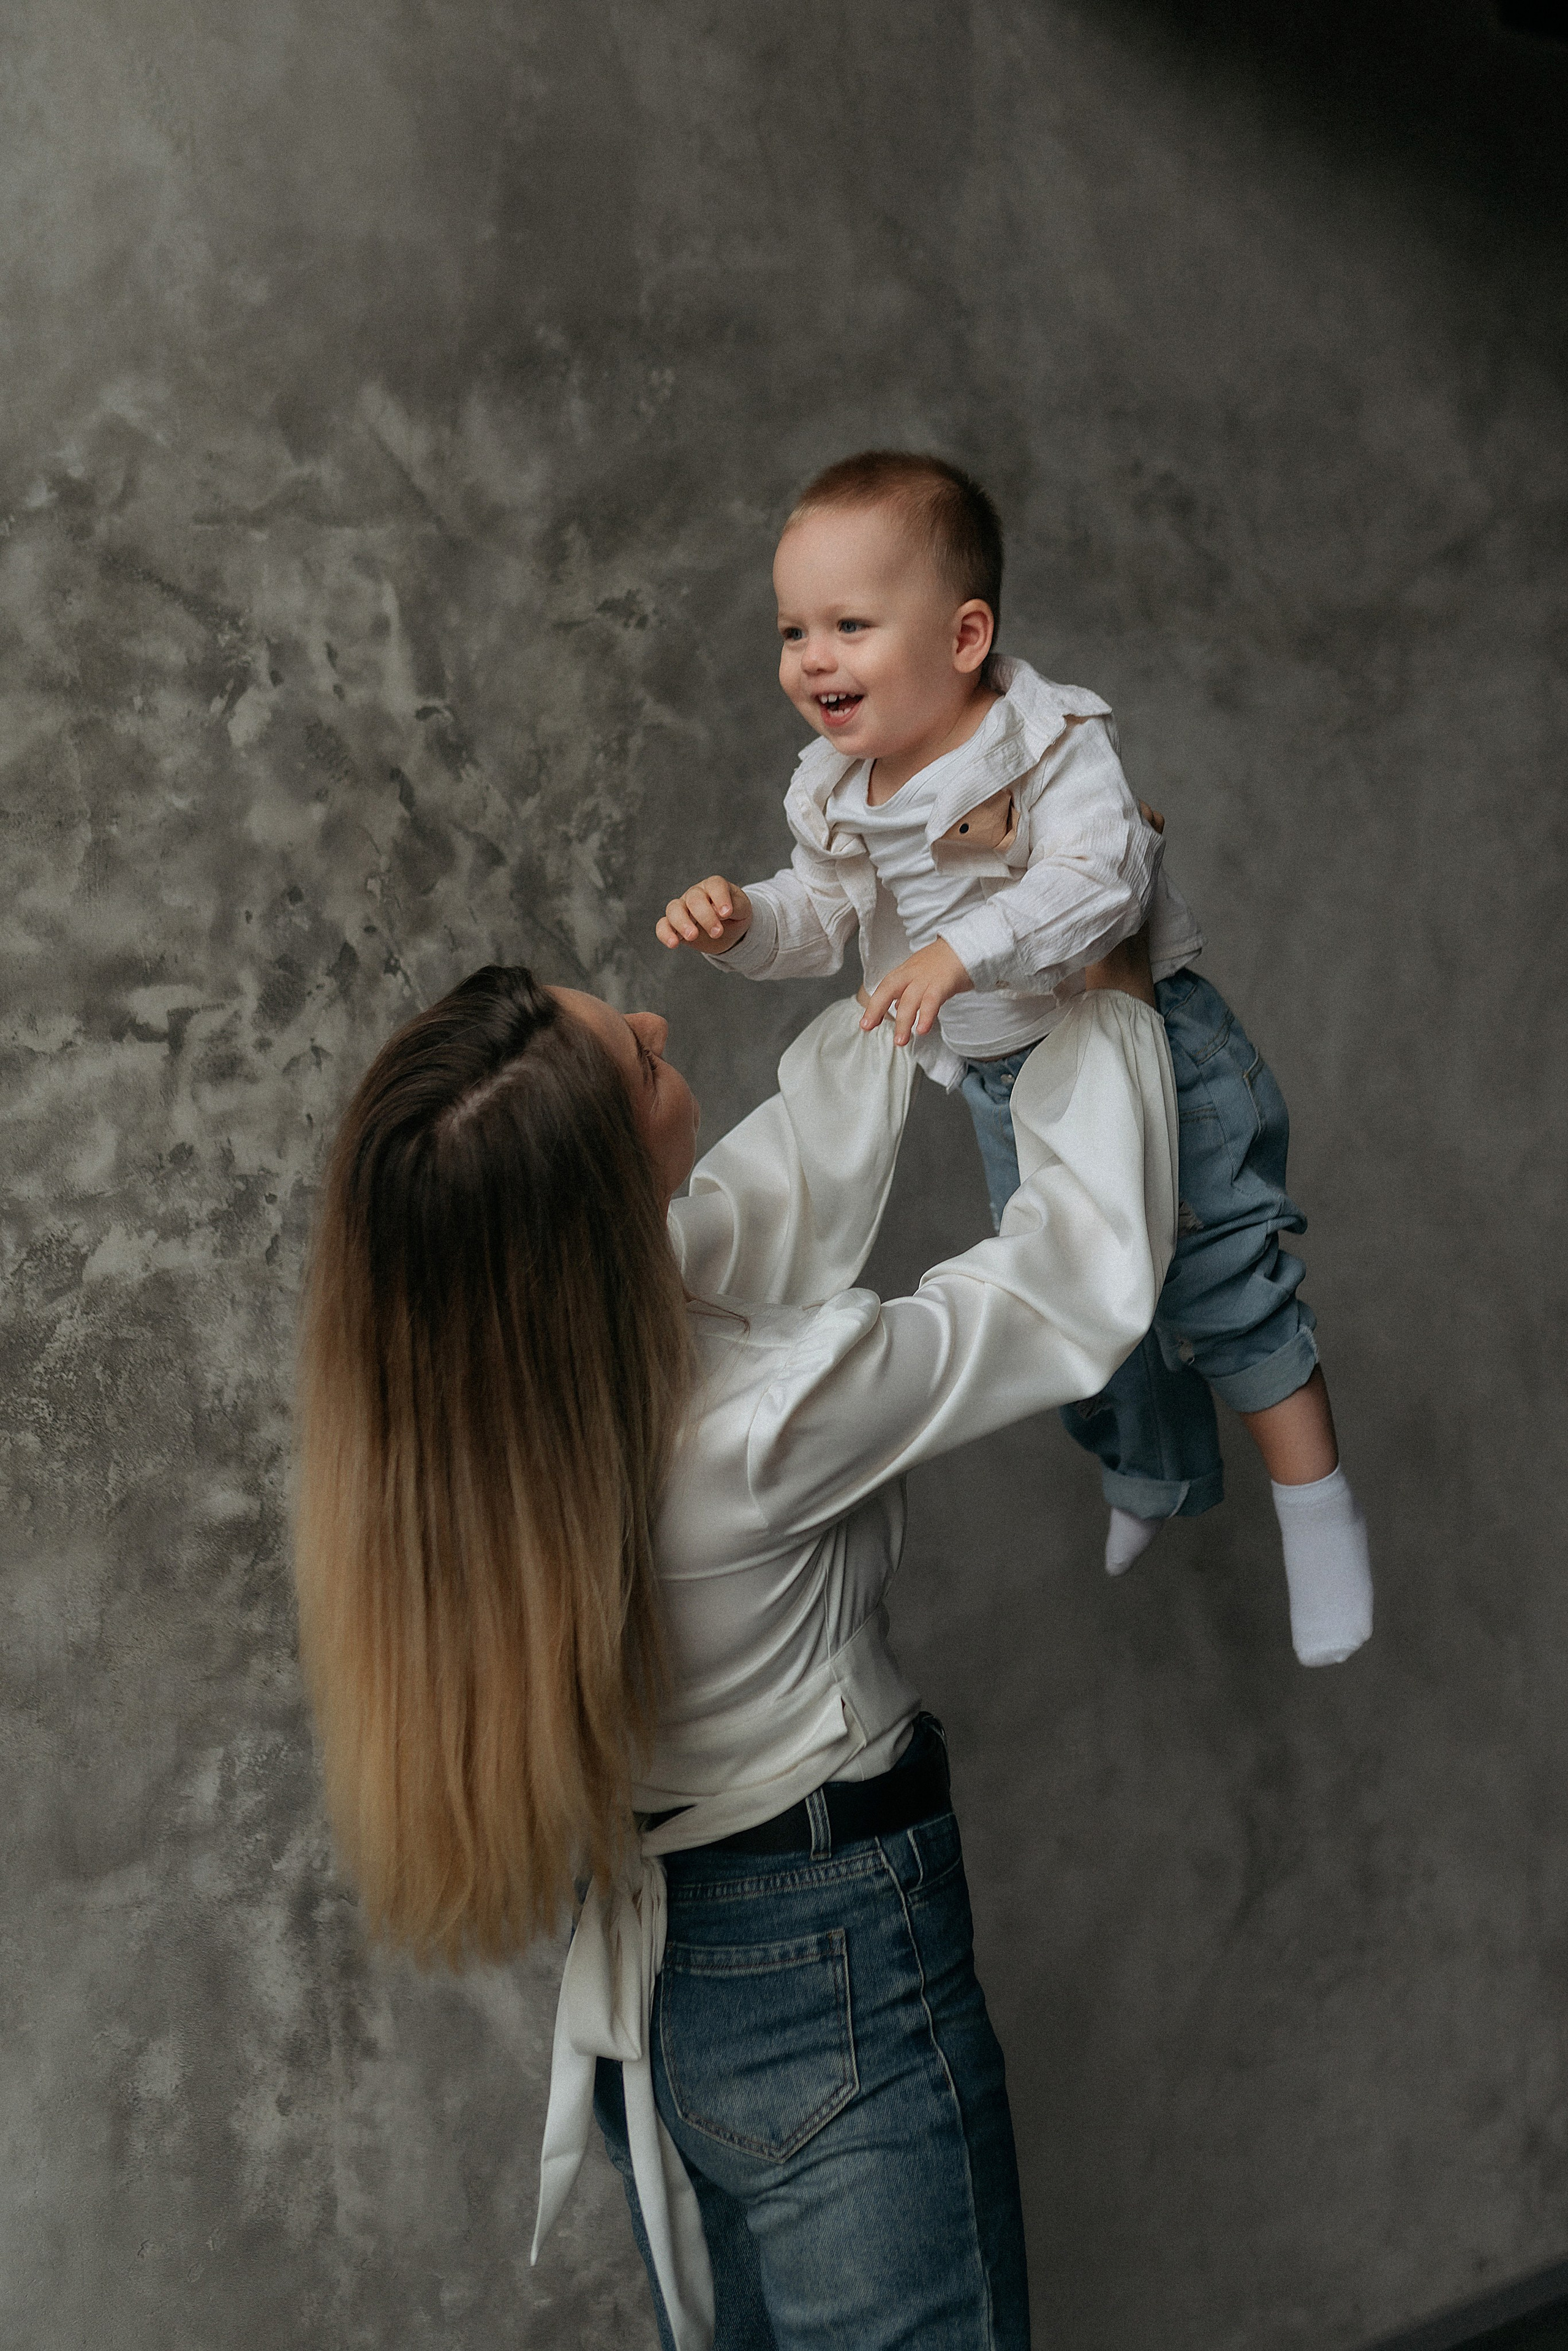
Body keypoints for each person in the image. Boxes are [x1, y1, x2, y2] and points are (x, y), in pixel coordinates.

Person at [293, 944, 1178, 2351]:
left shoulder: (497, 1396)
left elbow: (779, 1190)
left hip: (675, 1983)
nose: (656, 1023)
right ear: (592, 1200)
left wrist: (922, 972)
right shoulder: (754, 1423)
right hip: (828, 1955)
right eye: (638, 1059)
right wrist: (1107, 1000)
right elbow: (1070, 1286)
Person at [657, 448, 1372, 1669]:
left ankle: (1317, 1512)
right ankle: (1151, 1466)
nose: (810, 657)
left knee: (1218, 1280)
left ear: (960, 633)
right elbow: (818, 917)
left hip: (1142, 1043)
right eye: (791, 630)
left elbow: (1100, 883)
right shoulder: (836, 789)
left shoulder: (1046, 744)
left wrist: (959, 951)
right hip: (1010, 1084)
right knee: (1077, 1307)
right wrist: (744, 925)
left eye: (847, 624)